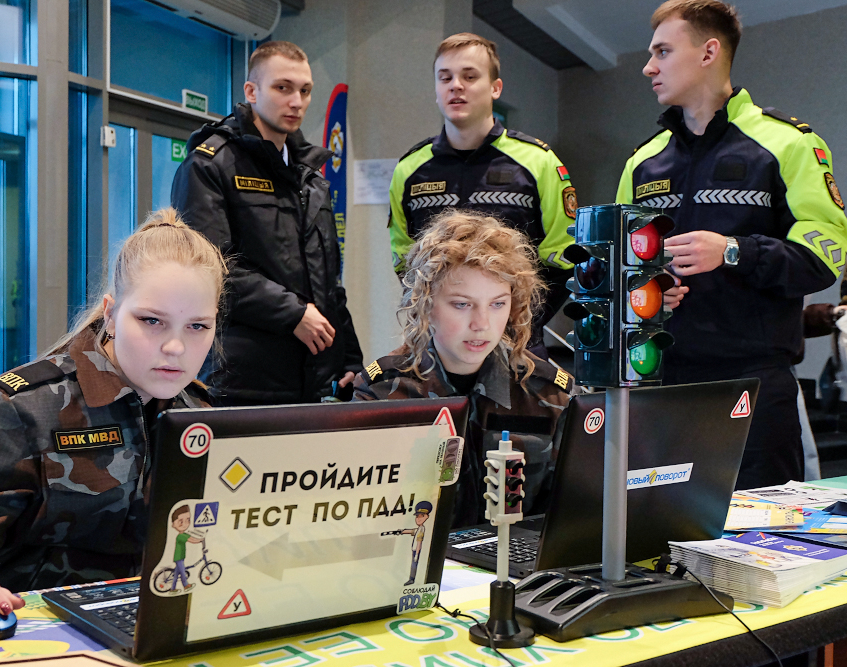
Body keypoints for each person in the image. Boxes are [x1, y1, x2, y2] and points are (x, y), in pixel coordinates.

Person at [0, 208, 226, 639]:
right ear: (111, 314)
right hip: (24, 637)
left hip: (151, 630)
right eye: (151, 320)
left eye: (197, 326)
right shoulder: (13, 411)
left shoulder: (200, 417)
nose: (175, 347)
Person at [617, 0, 847, 489]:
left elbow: (824, 256)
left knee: (761, 531)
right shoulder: (643, 162)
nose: (648, 67)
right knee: (662, 532)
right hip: (661, 380)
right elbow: (620, 268)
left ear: (708, 52)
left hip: (754, 383)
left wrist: (732, 250)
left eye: (662, 51)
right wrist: (650, 290)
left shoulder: (788, 143)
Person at [171, 40, 362, 406]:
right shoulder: (209, 165)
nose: (296, 101)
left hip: (314, 378)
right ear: (251, 91)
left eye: (305, 90)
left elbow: (328, 285)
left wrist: (349, 358)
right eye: (282, 88)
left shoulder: (310, 176)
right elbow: (209, 270)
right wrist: (293, 313)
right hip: (242, 377)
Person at [354, 210, 573, 528]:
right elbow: (363, 517)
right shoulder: (382, 393)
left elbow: (568, 515)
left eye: (497, 304)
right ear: (426, 303)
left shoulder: (548, 393)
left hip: (515, 556)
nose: (481, 324)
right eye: (462, 304)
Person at [387, 33, 578, 359]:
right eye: (445, 77)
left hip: (519, 348)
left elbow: (564, 259)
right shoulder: (409, 169)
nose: (455, 86)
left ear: (495, 88)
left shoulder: (539, 162)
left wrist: (512, 328)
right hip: (437, 350)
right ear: (436, 89)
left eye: (469, 76)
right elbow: (407, 263)